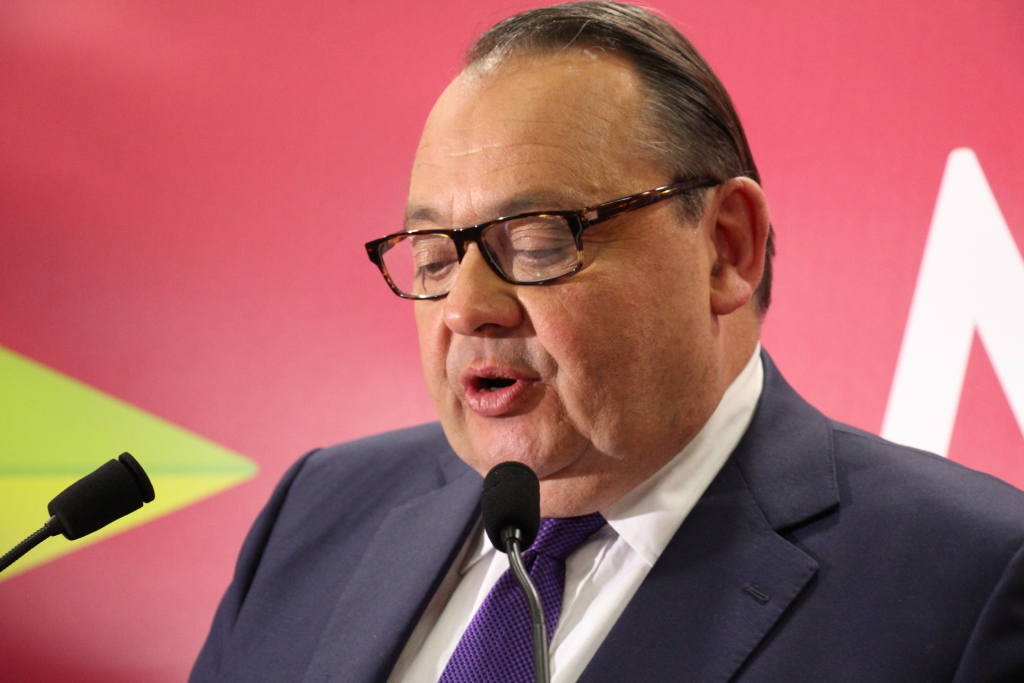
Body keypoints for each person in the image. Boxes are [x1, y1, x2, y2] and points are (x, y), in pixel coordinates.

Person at [190, 3, 1024, 682]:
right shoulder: (319, 510)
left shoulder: (972, 583)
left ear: (726, 246)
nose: (467, 307)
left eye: (540, 237)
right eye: (436, 253)